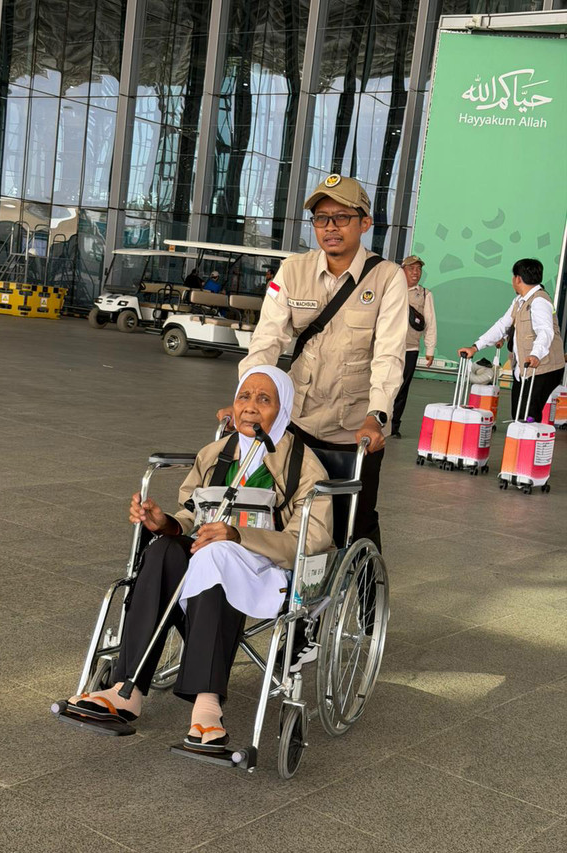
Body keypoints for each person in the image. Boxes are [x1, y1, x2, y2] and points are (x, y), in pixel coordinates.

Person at [60, 366, 332, 751]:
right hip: (208, 559)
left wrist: (238, 535)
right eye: (243, 397)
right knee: (163, 550)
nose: (250, 407)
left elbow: (311, 539)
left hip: (268, 570)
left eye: (264, 399)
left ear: (283, 409)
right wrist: (166, 523)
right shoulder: (215, 455)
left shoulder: (304, 467)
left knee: (217, 553)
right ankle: (126, 690)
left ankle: (207, 705)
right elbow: (191, 515)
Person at [216, 174, 407, 668]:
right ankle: (301, 624)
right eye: (322, 218)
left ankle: (367, 604)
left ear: (365, 223)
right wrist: (246, 400)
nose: (331, 227)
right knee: (293, 524)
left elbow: (389, 356)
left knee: (353, 525)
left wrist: (377, 416)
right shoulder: (293, 270)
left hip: (354, 431)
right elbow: (267, 340)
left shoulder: (387, 278)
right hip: (294, 424)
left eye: (342, 217)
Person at [458, 258, 565, 422]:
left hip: (544, 369)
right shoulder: (519, 301)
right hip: (524, 368)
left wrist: (536, 354)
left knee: (527, 416)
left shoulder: (539, 301)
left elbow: (545, 331)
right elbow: (502, 325)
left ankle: (530, 438)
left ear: (518, 279)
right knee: (519, 415)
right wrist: (475, 347)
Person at [390, 255, 437, 438]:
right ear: (402, 270)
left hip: (410, 349)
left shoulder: (425, 294)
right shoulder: (391, 289)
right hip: (388, 347)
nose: (416, 272)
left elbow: (430, 324)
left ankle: (393, 426)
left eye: (419, 269)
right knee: (382, 383)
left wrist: (430, 349)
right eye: (411, 268)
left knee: (402, 388)